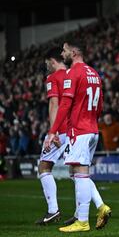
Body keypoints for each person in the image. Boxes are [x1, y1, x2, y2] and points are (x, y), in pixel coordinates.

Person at [44, 40, 111, 232]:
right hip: (92, 128)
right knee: (78, 173)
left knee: (80, 175)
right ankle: (96, 209)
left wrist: (52, 131)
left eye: (64, 50)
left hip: (80, 130)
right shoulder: (94, 73)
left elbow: (64, 105)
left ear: (73, 52)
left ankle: (82, 221)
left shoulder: (73, 72)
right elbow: (100, 106)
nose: (62, 53)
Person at [35, 47, 68, 225]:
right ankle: (100, 205)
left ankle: (53, 210)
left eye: (47, 63)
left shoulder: (52, 78)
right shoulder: (72, 74)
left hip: (60, 130)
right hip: (76, 130)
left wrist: (52, 131)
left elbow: (54, 104)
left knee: (44, 167)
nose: (46, 66)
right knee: (80, 172)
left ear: (52, 61)